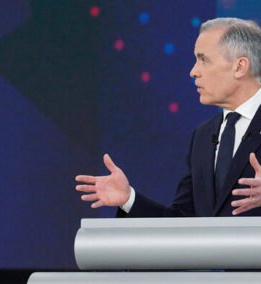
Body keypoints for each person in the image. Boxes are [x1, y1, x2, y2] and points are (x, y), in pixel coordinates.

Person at [76, 17, 261, 218]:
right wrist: (128, 199)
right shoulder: (203, 136)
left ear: (240, 67)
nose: (193, 72)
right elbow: (181, 221)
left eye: (204, 60)